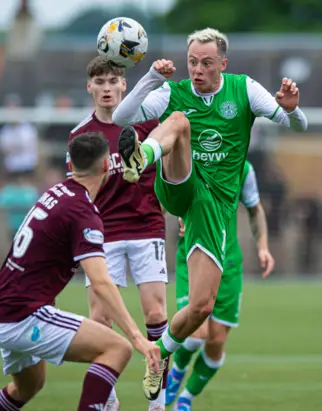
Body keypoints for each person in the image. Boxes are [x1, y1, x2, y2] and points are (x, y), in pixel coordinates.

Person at [111, 27, 308, 399]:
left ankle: (161, 353)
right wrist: (153, 77)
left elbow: (297, 126)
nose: (197, 70)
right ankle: (141, 157)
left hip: (211, 208)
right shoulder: (174, 92)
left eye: (205, 63)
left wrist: (292, 108)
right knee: (180, 122)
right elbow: (122, 117)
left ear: (222, 64)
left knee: (201, 309)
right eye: (191, 63)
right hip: (177, 185)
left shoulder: (244, 89)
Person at [0, 132, 160, 411]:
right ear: (106, 166)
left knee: (28, 386)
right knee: (118, 349)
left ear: (70, 164)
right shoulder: (82, 211)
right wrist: (138, 338)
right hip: (22, 315)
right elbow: (101, 282)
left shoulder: (56, 192)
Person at [67, 57, 169, 411]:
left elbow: (171, 169)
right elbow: (79, 192)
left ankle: (159, 398)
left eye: (114, 81)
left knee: (155, 314)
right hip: (103, 233)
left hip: (146, 225)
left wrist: (183, 210)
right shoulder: (81, 136)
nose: (107, 88)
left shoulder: (148, 121)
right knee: (100, 319)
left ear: (125, 85)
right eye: (101, 82)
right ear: (90, 87)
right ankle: (107, 399)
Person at [166, 160, 274, 410]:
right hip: (194, 254)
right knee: (196, 335)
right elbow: (167, 195)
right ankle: (178, 369)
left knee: (215, 342)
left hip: (228, 262)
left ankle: (186, 399)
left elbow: (255, 209)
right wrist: (179, 212)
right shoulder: (190, 159)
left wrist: (263, 247)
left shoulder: (243, 168)